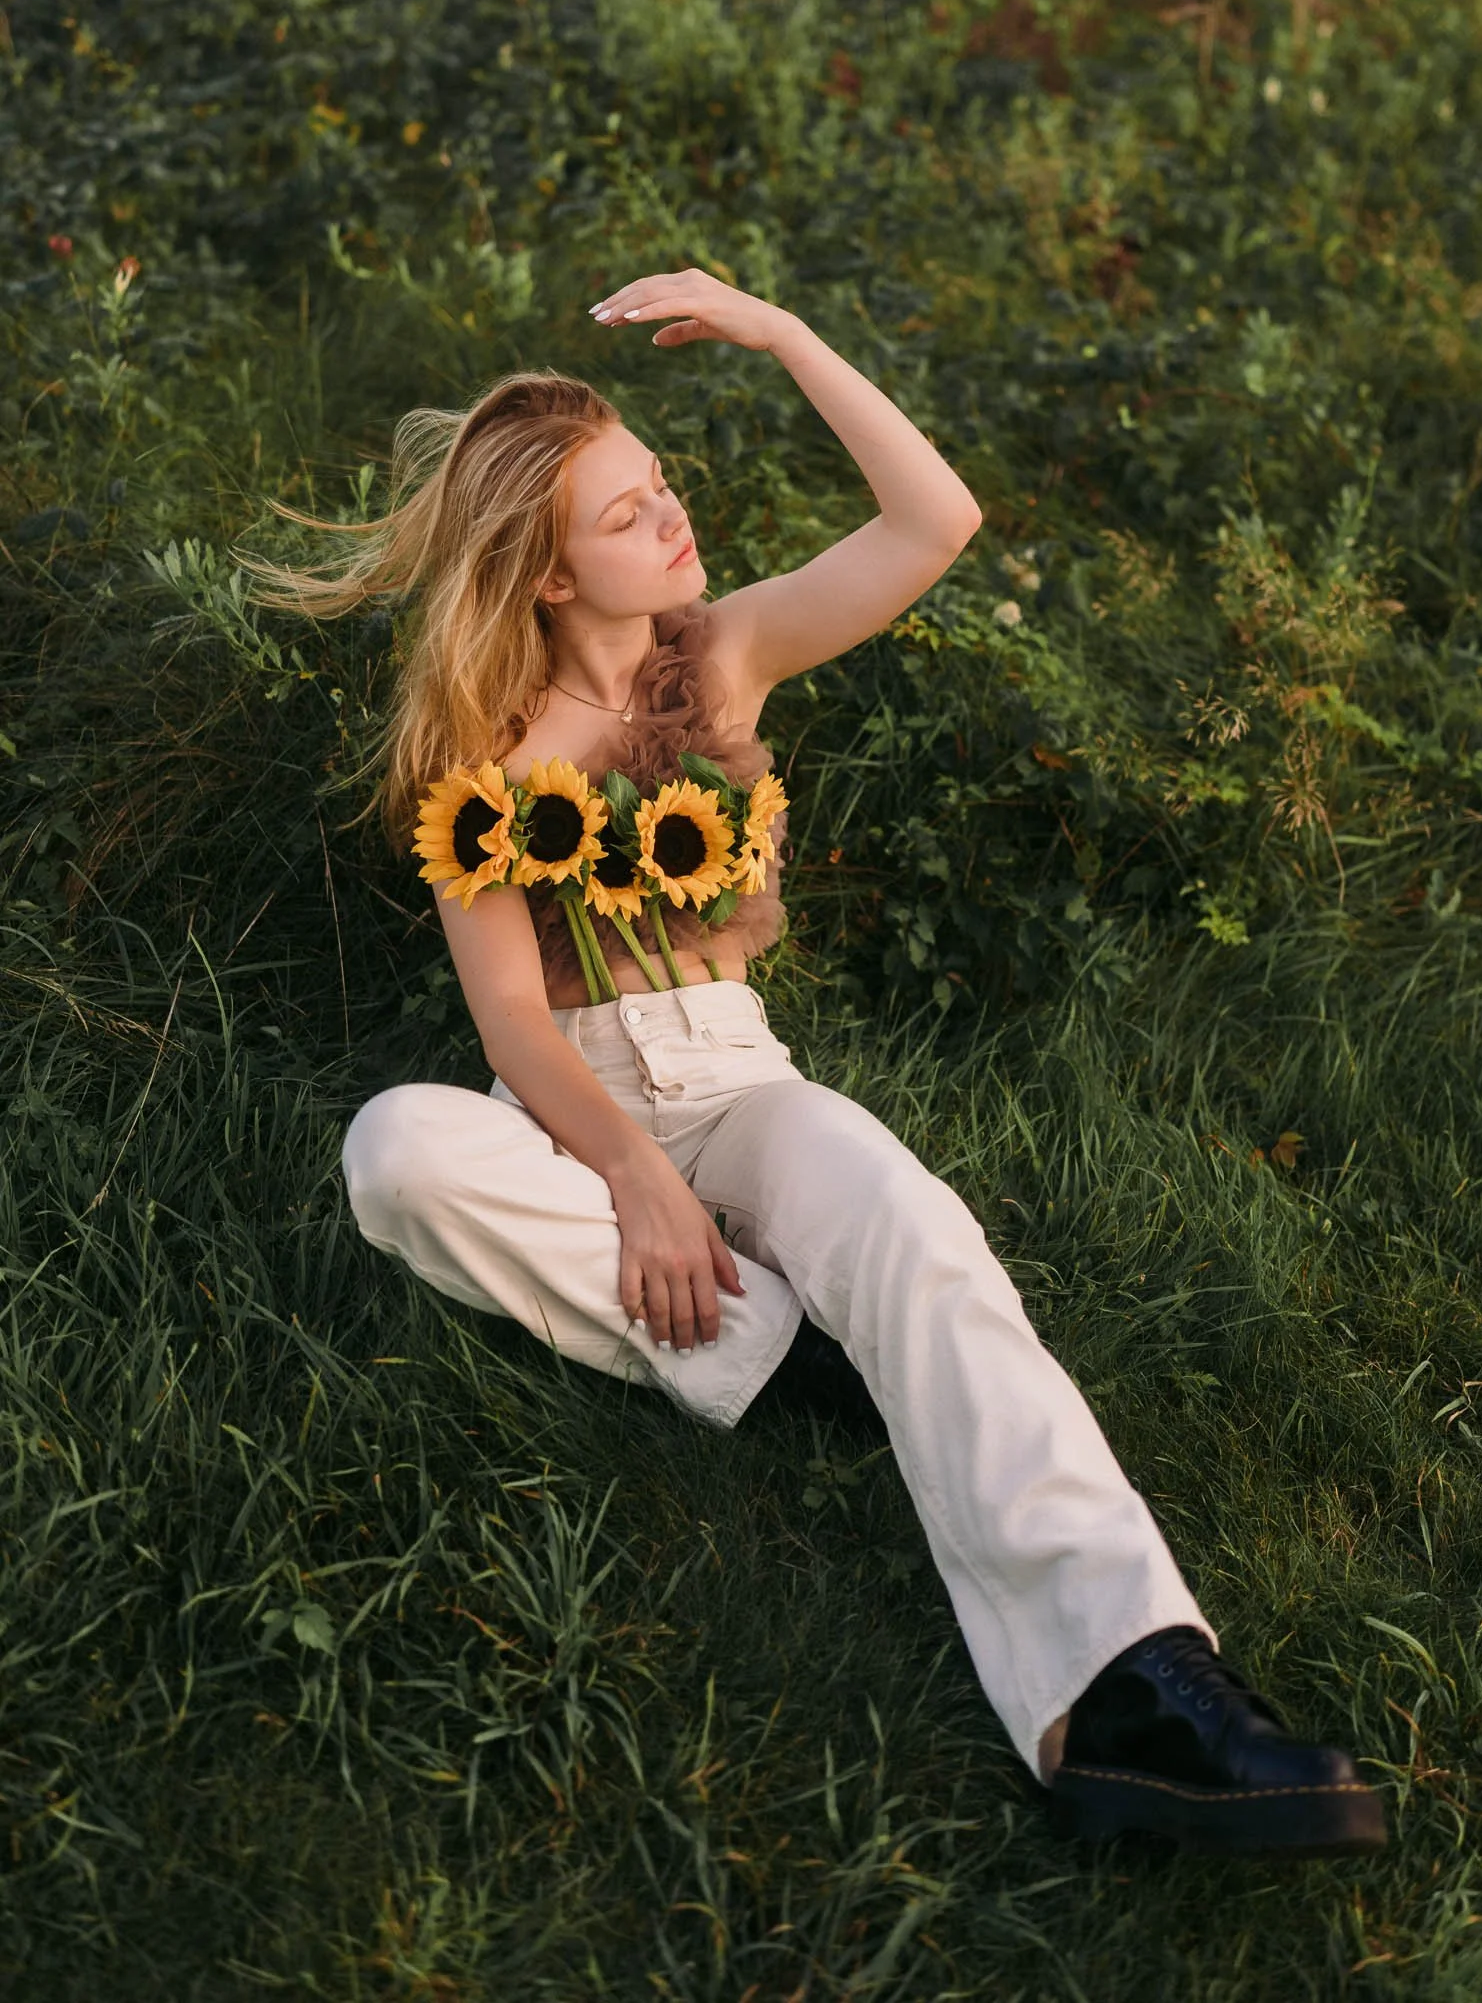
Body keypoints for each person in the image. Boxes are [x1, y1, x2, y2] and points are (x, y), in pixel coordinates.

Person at [256, 268, 1387, 1859]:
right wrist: (635, 1179)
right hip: (574, 1109)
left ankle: (1133, 1692)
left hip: (742, 1083)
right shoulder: (487, 771)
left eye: (662, 486)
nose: (673, 521)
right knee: (396, 1152)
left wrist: (781, 333)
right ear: (543, 578)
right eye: (627, 515)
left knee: (915, 1228)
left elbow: (933, 523)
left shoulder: (717, 659)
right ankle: (792, 1365)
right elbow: (514, 1028)